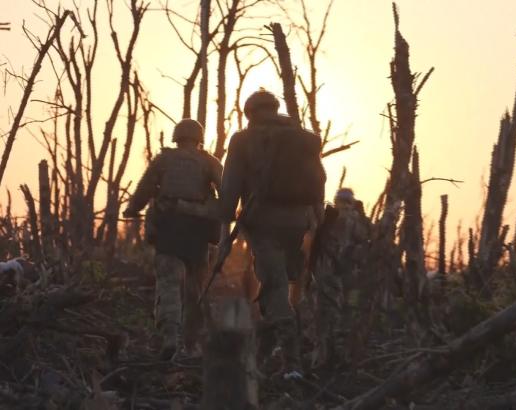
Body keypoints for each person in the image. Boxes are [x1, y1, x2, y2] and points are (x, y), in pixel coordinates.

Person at [218, 90, 325, 377]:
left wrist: (224, 229)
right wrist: (317, 220)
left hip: (264, 223)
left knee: (275, 287)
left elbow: (230, 188)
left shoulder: (243, 140)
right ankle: (265, 354)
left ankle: (291, 361)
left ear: (249, 112)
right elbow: (319, 181)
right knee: (280, 284)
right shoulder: (302, 139)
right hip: (299, 222)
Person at [123, 119, 222, 360]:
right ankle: (192, 345)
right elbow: (227, 194)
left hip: (169, 228)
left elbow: (145, 188)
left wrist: (132, 209)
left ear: (176, 137)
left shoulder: (164, 160)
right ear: (199, 138)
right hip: (197, 233)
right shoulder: (210, 162)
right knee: (194, 290)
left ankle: (170, 337)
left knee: (168, 283)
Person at [312, 187, 371, 368]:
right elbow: (368, 236)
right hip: (345, 276)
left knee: (326, 316)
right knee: (344, 315)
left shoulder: (326, 216)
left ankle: (325, 357)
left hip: (328, 274)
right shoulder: (352, 219)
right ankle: (337, 357)